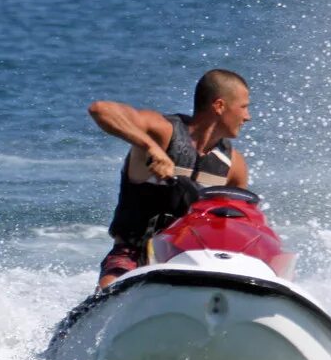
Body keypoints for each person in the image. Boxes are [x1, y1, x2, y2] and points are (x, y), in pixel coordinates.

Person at [88, 69, 251, 289]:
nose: (247, 116)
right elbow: (100, 110)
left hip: (190, 261)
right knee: (111, 286)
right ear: (219, 106)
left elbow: (239, 226)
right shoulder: (164, 132)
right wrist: (152, 148)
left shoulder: (233, 165)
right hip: (132, 255)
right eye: (244, 107)